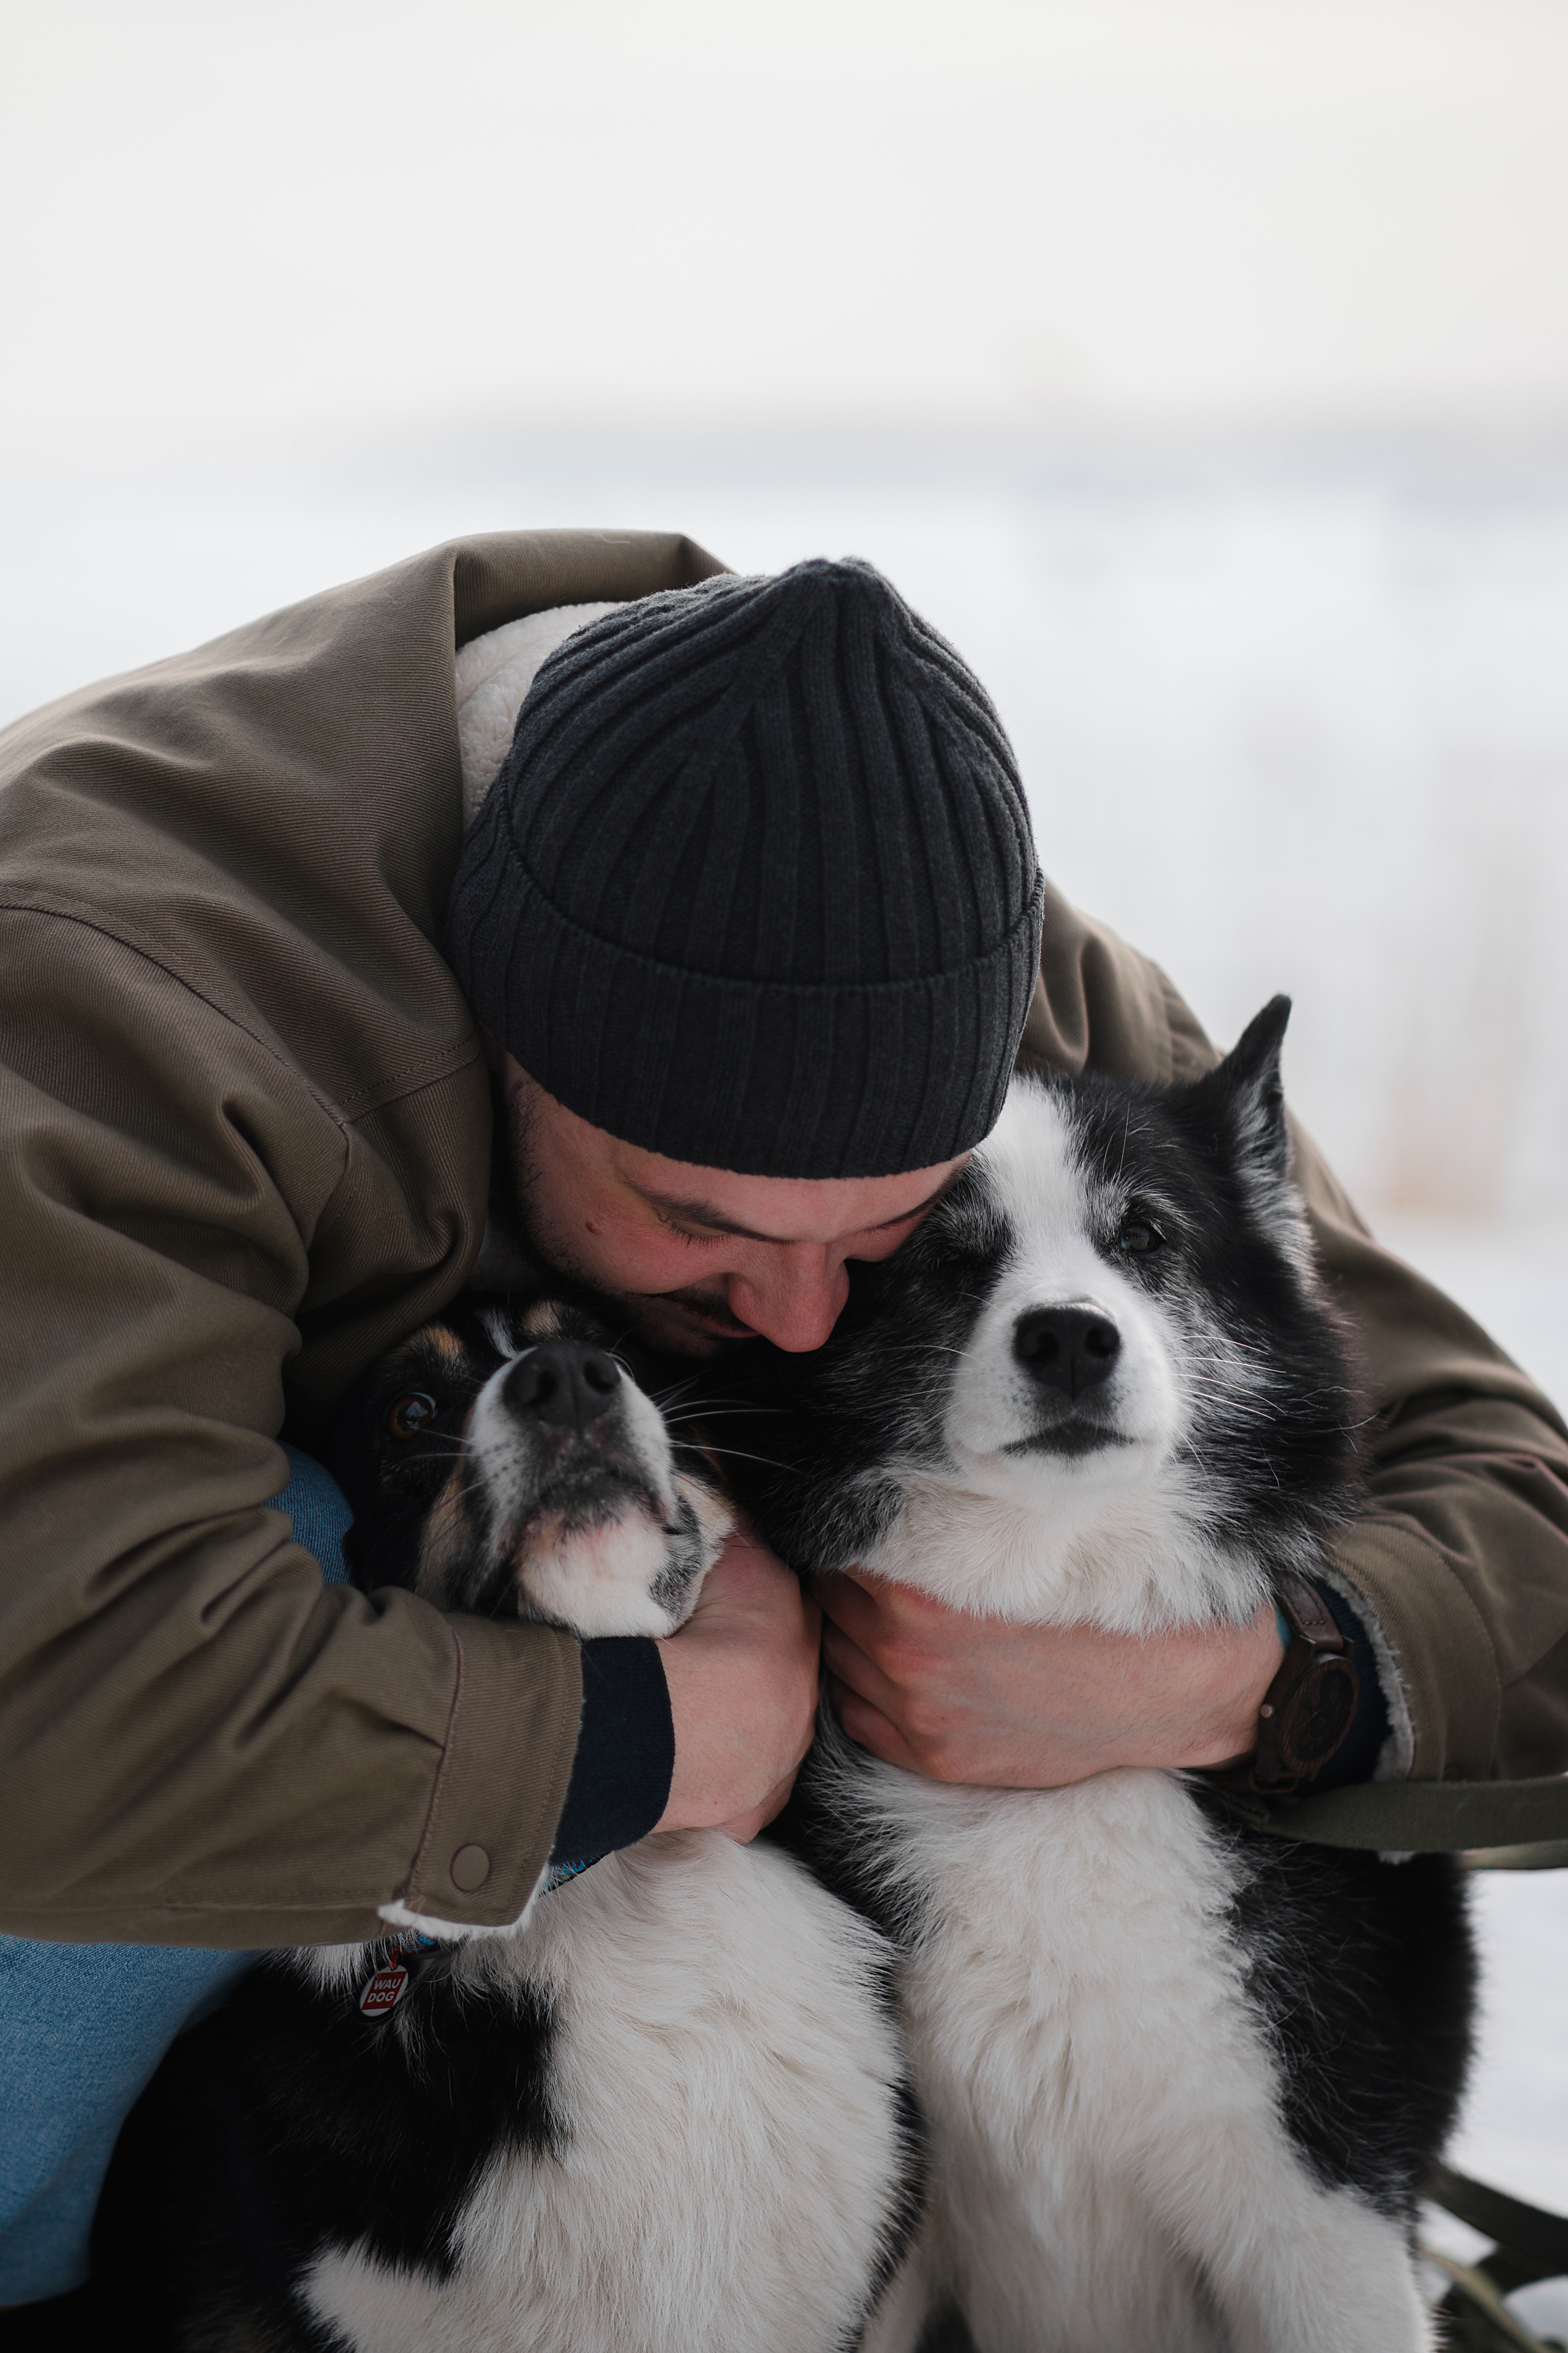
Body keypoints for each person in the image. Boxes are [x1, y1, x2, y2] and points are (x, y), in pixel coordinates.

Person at [3, 538, 1567, 2332]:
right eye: (708, 1225)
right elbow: (53, 1672)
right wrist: (644, 1732)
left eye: (887, 1234)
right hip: (102, 1743)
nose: (810, 1315)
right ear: (512, 1039)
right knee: (271, 1519)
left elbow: (1520, 1515)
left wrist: (1228, 1676)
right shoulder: (110, 991)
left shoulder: (939, 935)